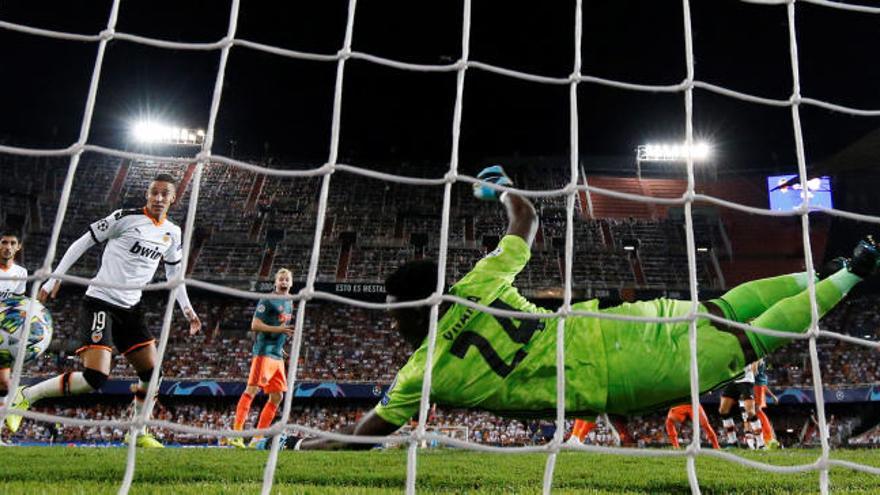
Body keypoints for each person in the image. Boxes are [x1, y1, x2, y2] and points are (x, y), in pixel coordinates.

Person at [286, 165, 877, 451]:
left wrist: (295, 443)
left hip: (609, 377)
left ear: (412, 315)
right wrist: (503, 188)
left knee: (739, 344)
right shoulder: (476, 281)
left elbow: (358, 437)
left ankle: (850, 273)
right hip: (608, 324)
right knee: (720, 308)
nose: (393, 327)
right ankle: (817, 273)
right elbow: (526, 221)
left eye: (394, 316)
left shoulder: (423, 373)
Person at [4, 174, 202, 448]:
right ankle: (26, 395)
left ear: (173, 199)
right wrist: (54, 278)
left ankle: (138, 432)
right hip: (100, 301)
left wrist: (188, 309)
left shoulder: (173, 233)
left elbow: (174, 273)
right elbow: (83, 242)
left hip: (132, 308)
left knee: (152, 373)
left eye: (164, 194)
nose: (158, 198)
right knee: (95, 378)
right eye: (154, 192)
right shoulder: (125, 218)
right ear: (147, 194)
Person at [227, 268, 295, 448]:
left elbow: (281, 326)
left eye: (287, 279)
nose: (284, 282)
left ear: (292, 282)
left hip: (277, 355)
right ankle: (236, 434)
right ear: (275, 282)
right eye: (281, 279)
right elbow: (255, 325)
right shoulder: (267, 299)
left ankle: (257, 438)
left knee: (277, 397)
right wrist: (279, 330)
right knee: (251, 390)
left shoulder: (290, 302)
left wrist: (281, 348)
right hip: (264, 352)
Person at [0, 230, 28, 441]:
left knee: (4, 383)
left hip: (2, 334)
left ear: (18, 247)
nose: (7, 246)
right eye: (3, 242)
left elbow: (17, 305)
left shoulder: (21, 273)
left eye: (12, 243)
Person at [718, 362, 762, 449]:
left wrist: (755, 364)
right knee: (723, 410)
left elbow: (755, 369)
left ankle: (761, 443)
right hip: (732, 380)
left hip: (746, 380)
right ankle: (732, 441)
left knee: (750, 412)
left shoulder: (749, 350)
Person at [753, 358, 780, 449]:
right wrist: (772, 396)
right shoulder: (760, 360)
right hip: (758, 386)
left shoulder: (757, 359)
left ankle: (768, 438)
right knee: (755, 413)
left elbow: (755, 373)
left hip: (757, 387)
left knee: (757, 411)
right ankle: (766, 438)